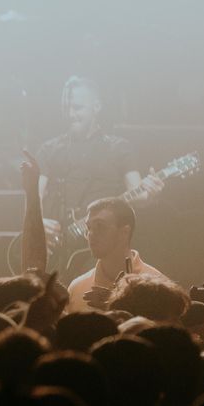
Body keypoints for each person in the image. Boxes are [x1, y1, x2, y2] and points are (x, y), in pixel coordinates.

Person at [35, 76, 164, 272]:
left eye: (77, 108)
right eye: (66, 108)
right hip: (55, 248)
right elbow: (33, 196)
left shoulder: (119, 148)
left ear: (96, 107)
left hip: (99, 251)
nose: (70, 114)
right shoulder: (49, 149)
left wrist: (152, 192)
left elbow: (139, 195)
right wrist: (38, 223)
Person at [64, 197, 166, 313]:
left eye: (100, 226)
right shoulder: (77, 288)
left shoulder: (158, 286)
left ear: (124, 232)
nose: (90, 234)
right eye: (88, 228)